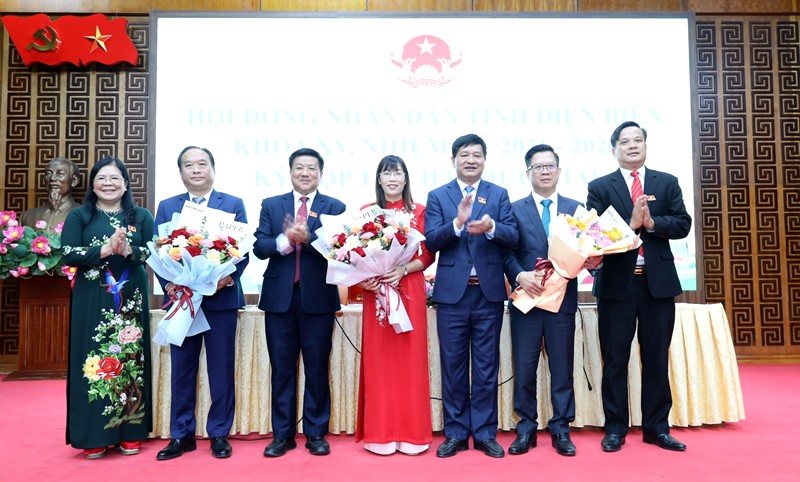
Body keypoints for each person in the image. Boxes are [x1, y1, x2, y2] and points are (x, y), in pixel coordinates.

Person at [587, 121, 692, 453]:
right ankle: (615, 427)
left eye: (637, 140)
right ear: (614, 148)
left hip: (657, 285)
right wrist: (630, 227)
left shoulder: (667, 182)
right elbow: (594, 233)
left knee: (656, 357)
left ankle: (657, 428)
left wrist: (653, 224)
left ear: (645, 145)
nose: (632, 145)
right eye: (624, 141)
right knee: (615, 359)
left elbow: (683, 223)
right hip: (618, 286)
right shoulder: (600, 186)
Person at [425, 134, 518, 458]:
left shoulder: (499, 194)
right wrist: (457, 223)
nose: (471, 160)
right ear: (453, 159)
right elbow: (431, 241)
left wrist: (492, 227)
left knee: (486, 367)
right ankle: (455, 433)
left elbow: (512, 236)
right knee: (452, 367)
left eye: (477, 155)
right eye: (465, 155)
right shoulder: (438, 196)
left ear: (485, 159)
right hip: (452, 296)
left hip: (488, 294)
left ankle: (484, 433)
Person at [504, 144, 600, 457]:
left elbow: (589, 251)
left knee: (562, 368)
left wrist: (592, 261)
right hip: (527, 303)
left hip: (562, 302)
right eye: (538, 167)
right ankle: (526, 428)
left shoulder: (576, 208)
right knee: (525, 368)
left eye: (550, 166)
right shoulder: (513, 208)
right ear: (527, 172)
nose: (544, 171)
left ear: (559, 170)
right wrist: (520, 276)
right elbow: (505, 253)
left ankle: (561, 428)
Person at [154, 146, 249, 460]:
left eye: (201, 164)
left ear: (212, 168)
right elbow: (158, 252)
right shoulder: (167, 207)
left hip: (219, 300)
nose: (195, 169)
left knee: (221, 370)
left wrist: (226, 277)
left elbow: (242, 250)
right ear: (181, 172)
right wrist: (169, 283)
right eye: (188, 165)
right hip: (183, 300)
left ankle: (219, 434)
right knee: (182, 370)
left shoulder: (233, 203)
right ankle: (181, 435)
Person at [253, 147, 346, 457]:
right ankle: (282, 435)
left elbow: (339, 250)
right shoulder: (271, 204)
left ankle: (316, 433)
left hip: (318, 298)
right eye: (299, 168)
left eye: (311, 168)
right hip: (279, 298)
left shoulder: (335, 206)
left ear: (320, 173)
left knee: (318, 367)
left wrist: (309, 240)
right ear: (290, 171)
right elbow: (259, 246)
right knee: (282, 368)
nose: (305, 173)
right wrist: (285, 240)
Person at [61, 157, 153, 459]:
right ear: (93, 184)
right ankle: (94, 434)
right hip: (92, 299)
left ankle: (131, 430)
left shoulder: (140, 215)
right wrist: (105, 249)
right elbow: (68, 253)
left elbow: (153, 250)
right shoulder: (80, 216)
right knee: (94, 359)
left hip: (132, 297)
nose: (109, 183)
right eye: (102, 178)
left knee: (130, 360)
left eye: (115, 178)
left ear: (125, 183)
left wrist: (129, 250)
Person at [355, 155, 435, 455]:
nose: (392, 178)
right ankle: (380, 434)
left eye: (397, 173)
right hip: (376, 292)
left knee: (410, 361)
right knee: (380, 363)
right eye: (386, 173)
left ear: (405, 178)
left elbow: (428, 255)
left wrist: (403, 269)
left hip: (409, 289)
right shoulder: (367, 213)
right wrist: (364, 279)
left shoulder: (420, 212)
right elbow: (352, 253)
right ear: (379, 179)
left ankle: (413, 434)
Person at [21, 157, 80, 230]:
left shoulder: (87, 215)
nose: (52, 178)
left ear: (74, 181)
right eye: (48, 173)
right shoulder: (27, 216)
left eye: (60, 174)